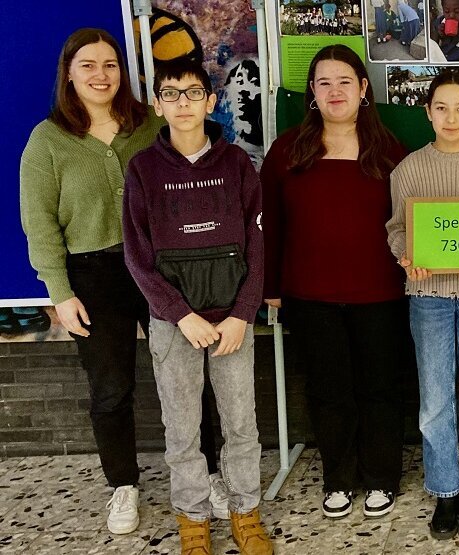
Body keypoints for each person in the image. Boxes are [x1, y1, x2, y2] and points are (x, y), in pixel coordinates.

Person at [18, 28, 225, 536]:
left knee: (190, 380)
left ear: (123, 72)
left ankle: (211, 474)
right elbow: (39, 222)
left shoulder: (150, 124)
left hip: (164, 268)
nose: (100, 74)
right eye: (87, 65)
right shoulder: (48, 140)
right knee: (110, 387)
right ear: (69, 73)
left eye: (109, 64)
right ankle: (123, 485)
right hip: (95, 274)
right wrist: (60, 294)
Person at [122, 58, 271, 555]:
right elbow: (137, 255)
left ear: (211, 102)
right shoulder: (142, 169)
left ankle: (245, 512)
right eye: (171, 93)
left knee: (240, 423)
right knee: (182, 429)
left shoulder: (236, 165)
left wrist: (242, 313)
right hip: (173, 323)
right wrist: (179, 314)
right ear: (158, 104)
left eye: (192, 93)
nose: (182, 102)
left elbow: (257, 244)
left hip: (231, 321)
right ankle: (193, 519)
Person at [261, 45, 409, 521]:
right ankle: (339, 479)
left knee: (380, 388)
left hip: (381, 293)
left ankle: (381, 478)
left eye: (344, 81)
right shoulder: (287, 151)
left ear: (364, 88)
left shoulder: (390, 151)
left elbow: (412, 222)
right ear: (312, 93)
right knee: (329, 390)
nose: (334, 91)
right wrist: (270, 287)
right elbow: (270, 223)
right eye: (323, 82)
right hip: (310, 296)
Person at [385, 69, 459, 540]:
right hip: (428, 297)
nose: (451, 117)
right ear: (428, 112)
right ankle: (445, 489)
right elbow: (397, 227)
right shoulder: (408, 170)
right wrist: (406, 257)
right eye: (441, 108)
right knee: (435, 399)